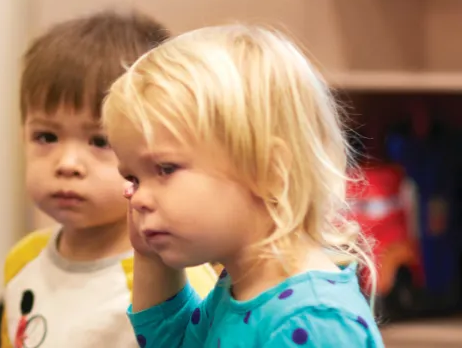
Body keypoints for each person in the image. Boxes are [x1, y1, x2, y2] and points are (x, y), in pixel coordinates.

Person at [103, 24, 383, 346]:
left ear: (269, 171)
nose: (138, 199)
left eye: (165, 169)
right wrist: (149, 256)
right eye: (134, 179)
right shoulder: (244, 285)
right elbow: (172, 342)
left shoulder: (312, 321)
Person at [2, 10, 218, 348]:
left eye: (100, 141)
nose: (68, 164)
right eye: (46, 137)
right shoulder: (22, 261)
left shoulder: (175, 277)